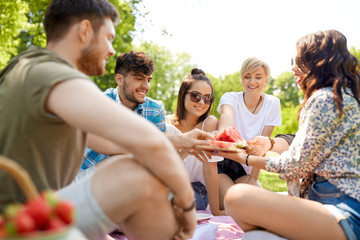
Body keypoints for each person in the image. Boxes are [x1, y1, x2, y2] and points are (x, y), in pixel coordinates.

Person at [0, 0, 213, 239]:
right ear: (84, 31)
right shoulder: (55, 76)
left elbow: (114, 144)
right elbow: (149, 143)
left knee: (131, 168)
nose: (112, 50)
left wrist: (184, 141)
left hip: (35, 209)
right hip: (20, 223)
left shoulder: (25, 67)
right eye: (109, 37)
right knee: (140, 174)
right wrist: (185, 203)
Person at [213, 30, 360, 240]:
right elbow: (299, 145)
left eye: (300, 61)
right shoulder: (343, 96)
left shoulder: (325, 100)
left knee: (238, 197)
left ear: (319, 63)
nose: (293, 67)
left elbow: (294, 165)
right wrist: (267, 143)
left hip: (342, 213)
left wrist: (244, 158)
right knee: (255, 237)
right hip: (334, 207)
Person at [81, 51, 166, 171]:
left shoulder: (156, 110)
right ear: (119, 79)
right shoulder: (99, 103)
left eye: (148, 80)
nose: (146, 86)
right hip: (88, 174)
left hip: (130, 176)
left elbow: (158, 154)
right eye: (139, 79)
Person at [216, 57, 281, 209]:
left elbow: (263, 146)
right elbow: (227, 117)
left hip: (245, 165)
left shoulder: (273, 103)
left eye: (258, 77)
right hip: (222, 160)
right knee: (232, 205)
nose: (252, 82)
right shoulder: (230, 98)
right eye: (247, 77)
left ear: (266, 81)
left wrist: (253, 178)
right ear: (241, 79)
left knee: (258, 206)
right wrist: (225, 133)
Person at [166, 68, 225, 216]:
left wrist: (215, 211)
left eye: (207, 98)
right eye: (195, 96)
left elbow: (210, 169)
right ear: (183, 94)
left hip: (194, 190)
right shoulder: (165, 123)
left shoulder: (210, 124)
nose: (202, 103)